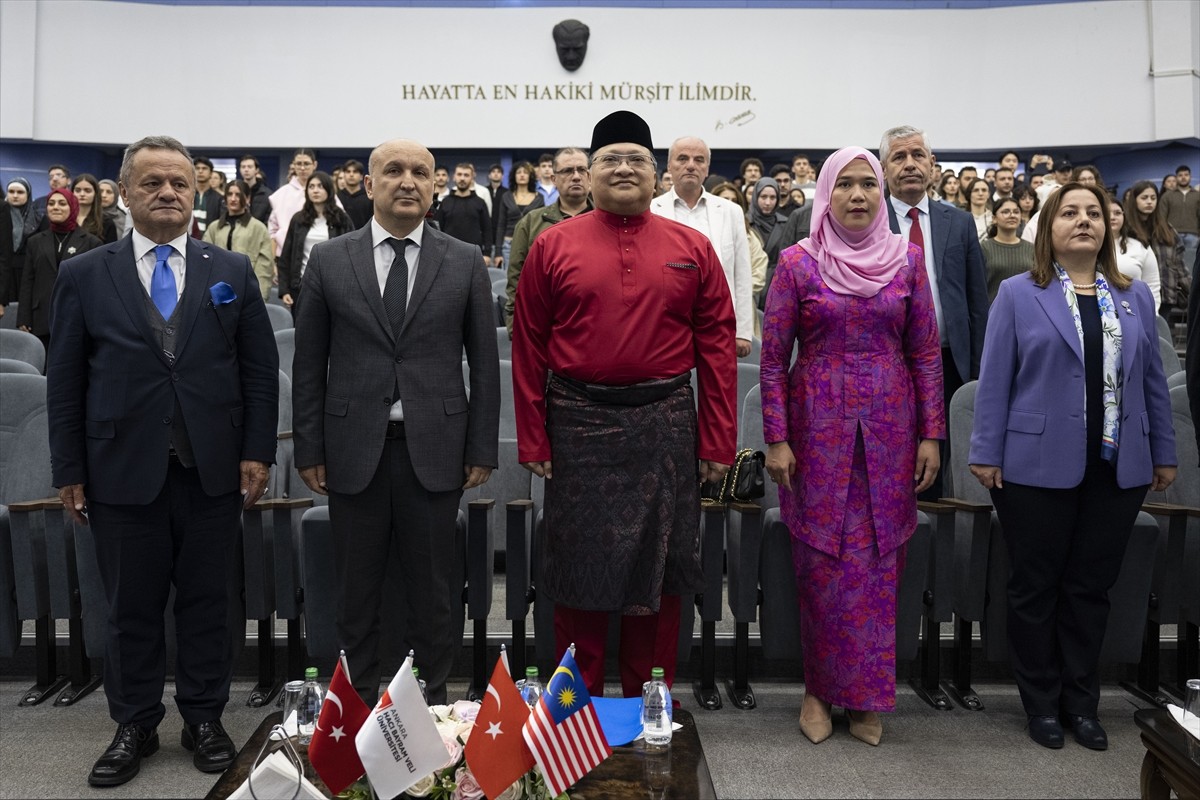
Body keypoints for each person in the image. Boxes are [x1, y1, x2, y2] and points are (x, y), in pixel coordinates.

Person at [45, 135, 277, 787]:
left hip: (212, 467)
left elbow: (260, 370)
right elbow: (64, 380)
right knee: (131, 606)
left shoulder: (229, 271)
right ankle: (136, 722)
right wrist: (69, 468)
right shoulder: (84, 274)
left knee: (209, 601)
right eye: (152, 183)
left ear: (194, 191)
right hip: (119, 467)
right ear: (125, 193)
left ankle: (204, 717)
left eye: (179, 182)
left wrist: (258, 450)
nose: (169, 192)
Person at [512, 109, 736, 700]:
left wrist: (716, 441)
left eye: (636, 158)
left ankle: (648, 702)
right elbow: (529, 344)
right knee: (579, 570)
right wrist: (533, 437)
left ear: (657, 172)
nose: (624, 168)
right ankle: (574, 708)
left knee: (662, 575)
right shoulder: (552, 245)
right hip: (578, 424)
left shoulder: (694, 247)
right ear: (588, 173)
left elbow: (716, 349)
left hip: (666, 422)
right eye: (610, 158)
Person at [291, 137, 500, 707]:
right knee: (355, 591)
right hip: (352, 450)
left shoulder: (462, 260)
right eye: (393, 171)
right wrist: (308, 448)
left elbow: (483, 362)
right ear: (369, 182)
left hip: (435, 450)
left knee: (434, 592)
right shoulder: (331, 259)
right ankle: (354, 707)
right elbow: (308, 364)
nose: (407, 181)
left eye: (419, 172)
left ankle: (431, 709)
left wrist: (482, 446)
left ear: (435, 185)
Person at [968, 182, 1176, 752]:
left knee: (1090, 589)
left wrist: (1164, 451)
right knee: (1035, 588)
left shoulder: (1134, 296)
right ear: (1048, 229)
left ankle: (1081, 703)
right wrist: (984, 451)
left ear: (1108, 228)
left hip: (1117, 467)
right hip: (1033, 466)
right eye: (1070, 213)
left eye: (1093, 213)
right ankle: (1041, 705)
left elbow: (1152, 383)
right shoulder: (1017, 292)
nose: (1084, 221)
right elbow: (996, 380)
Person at [762, 146, 943, 748]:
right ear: (826, 195)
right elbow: (770, 360)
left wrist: (932, 435)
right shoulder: (796, 263)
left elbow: (924, 354)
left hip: (891, 433)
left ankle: (867, 697)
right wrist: (776, 439)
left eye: (870, 184)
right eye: (846, 185)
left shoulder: (907, 262)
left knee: (878, 567)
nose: (859, 196)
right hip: (817, 430)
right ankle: (817, 690)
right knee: (819, 563)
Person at [881, 124, 989, 502]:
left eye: (918, 156)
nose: (910, 164)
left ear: (932, 165)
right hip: (888, 364)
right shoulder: (869, 222)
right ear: (883, 168)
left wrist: (978, 373)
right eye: (899, 157)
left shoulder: (958, 222)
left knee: (941, 472)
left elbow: (977, 303)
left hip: (949, 365)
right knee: (893, 466)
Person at [651, 136, 755, 357]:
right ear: (669, 166)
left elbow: (742, 274)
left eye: (699, 160)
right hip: (663, 324)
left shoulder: (731, 211)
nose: (691, 165)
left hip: (718, 322)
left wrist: (744, 331)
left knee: (716, 389)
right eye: (683, 158)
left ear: (707, 168)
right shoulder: (651, 210)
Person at [503, 147, 592, 335]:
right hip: (545, 329)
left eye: (581, 170)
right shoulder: (531, 223)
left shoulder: (607, 220)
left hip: (595, 329)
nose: (576, 176)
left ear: (590, 177)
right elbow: (516, 281)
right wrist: (516, 328)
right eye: (568, 171)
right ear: (554, 180)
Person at [19, 187, 103, 354]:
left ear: (72, 207)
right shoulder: (35, 241)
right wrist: (23, 318)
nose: (55, 207)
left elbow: (96, 287)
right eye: (51, 203)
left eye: (62, 203)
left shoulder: (92, 243)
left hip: (77, 318)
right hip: (40, 318)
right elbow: (27, 281)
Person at [279, 171, 355, 315]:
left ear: (328, 189)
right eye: (311, 186)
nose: (315, 190)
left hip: (333, 286)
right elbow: (286, 256)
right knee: (303, 331)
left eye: (320, 186)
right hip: (301, 285)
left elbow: (352, 254)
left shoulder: (341, 219)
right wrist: (284, 289)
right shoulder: (298, 219)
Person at [203, 180, 276, 301]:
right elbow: (205, 260)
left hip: (248, 292)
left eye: (238, 194)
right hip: (217, 292)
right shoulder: (214, 227)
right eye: (229, 194)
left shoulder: (258, 228)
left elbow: (265, 267)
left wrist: (260, 296)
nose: (233, 198)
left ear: (247, 198)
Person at [1125, 180, 1188, 317]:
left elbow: (1179, 265)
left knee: (1161, 335)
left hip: (1165, 295)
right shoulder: (1125, 229)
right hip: (1133, 296)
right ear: (1134, 200)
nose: (1149, 202)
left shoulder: (1167, 229)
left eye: (1153, 198)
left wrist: (1190, 289)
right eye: (1144, 198)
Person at [711, 180, 769, 308]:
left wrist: (736, 292)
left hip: (741, 304)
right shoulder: (702, 232)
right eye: (725, 199)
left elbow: (759, 272)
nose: (729, 204)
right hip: (709, 304)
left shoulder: (749, 236)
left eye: (734, 201)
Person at [1109, 194, 1161, 309]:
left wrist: (1152, 313)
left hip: (1135, 310)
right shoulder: (1088, 246)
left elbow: (1152, 284)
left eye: (1117, 213)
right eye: (1106, 213)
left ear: (1124, 216)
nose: (1112, 217)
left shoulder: (1140, 246)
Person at [980, 197, 1035, 302]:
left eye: (1016, 212)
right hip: (992, 310)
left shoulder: (1031, 248)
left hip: (1025, 309)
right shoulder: (984, 248)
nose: (1012, 215)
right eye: (1005, 212)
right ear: (994, 219)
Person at [268, 148, 319, 256]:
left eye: (306, 164)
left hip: (317, 251)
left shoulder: (324, 192)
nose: (302, 168)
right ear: (293, 165)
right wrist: (273, 262)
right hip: (286, 254)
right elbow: (272, 231)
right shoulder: (281, 194)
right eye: (298, 164)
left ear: (314, 165)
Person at [434, 163, 493, 254]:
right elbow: (437, 230)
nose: (462, 178)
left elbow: (487, 230)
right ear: (454, 177)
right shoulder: (445, 202)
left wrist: (487, 254)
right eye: (459, 174)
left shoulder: (480, 203)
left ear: (472, 178)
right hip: (448, 254)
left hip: (474, 254)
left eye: (466, 175)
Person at [748, 177, 789, 307]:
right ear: (755, 197)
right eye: (763, 197)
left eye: (772, 198)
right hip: (751, 281)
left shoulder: (786, 223)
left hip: (777, 281)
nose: (767, 202)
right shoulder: (744, 223)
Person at [494, 161, 542, 269]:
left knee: (530, 279)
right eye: (518, 172)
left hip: (531, 244)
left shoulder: (539, 198)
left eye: (525, 172)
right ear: (513, 176)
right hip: (508, 244)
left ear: (531, 176)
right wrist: (498, 252)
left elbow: (541, 225)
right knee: (509, 279)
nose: (522, 175)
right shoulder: (506, 196)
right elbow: (501, 224)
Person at [2, 178, 39, 304]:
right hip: (3, 272)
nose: (15, 196)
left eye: (20, 192)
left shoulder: (38, 220)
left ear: (28, 194)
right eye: (11, 191)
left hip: (27, 273)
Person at [1159, 164, 1200, 273]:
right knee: (1172, 265)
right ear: (1176, 177)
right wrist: (1165, 234)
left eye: (1186, 174)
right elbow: (1161, 217)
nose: (1183, 177)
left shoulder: (1197, 195)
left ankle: (1190, 289)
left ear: (1190, 177)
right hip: (1172, 235)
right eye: (1180, 175)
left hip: (1194, 235)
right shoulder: (1167, 196)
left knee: (1192, 265)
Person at [71, 173, 118, 243]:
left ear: (95, 193)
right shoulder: (65, 218)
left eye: (87, 191)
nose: (82, 194)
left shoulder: (106, 222)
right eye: (78, 190)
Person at [191, 157, 224, 236]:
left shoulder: (219, 198)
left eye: (204, 168)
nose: (200, 171)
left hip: (209, 241)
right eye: (197, 168)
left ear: (211, 173)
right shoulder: (186, 195)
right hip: (187, 241)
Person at [337, 159, 373, 230]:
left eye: (355, 172)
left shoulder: (369, 197)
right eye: (348, 172)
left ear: (361, 177)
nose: (351, 174)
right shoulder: (337, 197)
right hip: (340, 238)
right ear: (344, 175)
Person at [238, 154, 273, 225]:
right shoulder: (235, 192)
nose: (246, 170)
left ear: (256, 170)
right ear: (240, 170)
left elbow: (270, 220)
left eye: (250, 167)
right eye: (243, 167)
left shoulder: (267, 194)